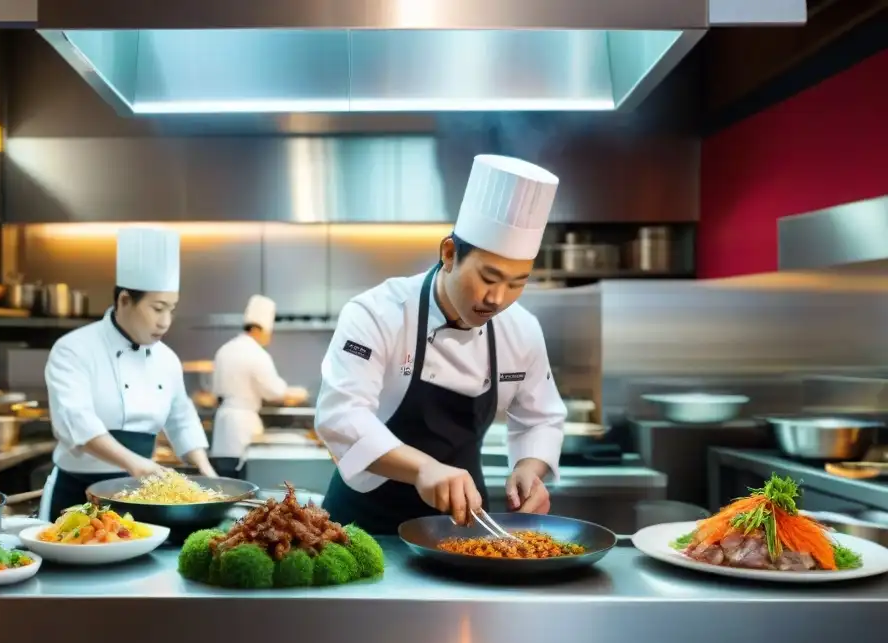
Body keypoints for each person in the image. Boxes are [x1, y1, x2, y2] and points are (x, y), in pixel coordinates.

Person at [314, 154, 568, 535]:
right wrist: (423, 468)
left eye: (517, 283)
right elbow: (341, 415)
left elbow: (541, 416)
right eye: (489, 277)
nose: (498, 298)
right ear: (449, 254)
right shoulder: (377, 313)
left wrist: (529, 469)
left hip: (462, 523)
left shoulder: (522, 329)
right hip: (362, 524)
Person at [39, 227, 216, 520]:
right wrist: (135, 464)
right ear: (124, 300)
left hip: (138, 497)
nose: (165, 321)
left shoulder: (167, 359)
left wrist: (207, 472)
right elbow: (76, 422)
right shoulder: (74, 349)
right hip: (77, 494)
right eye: (157, 308)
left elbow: (181, 419)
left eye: (171, 309)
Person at [210, 295, 307, 478]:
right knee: (244, 480)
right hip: (243, 428)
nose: (269, 336)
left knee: (225, 481)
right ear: (257, 328)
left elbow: (216, 393)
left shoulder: (224, 350)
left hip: (222, 427)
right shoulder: (256, 353)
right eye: (268, 332)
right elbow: (275, 392)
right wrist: (296, 393)